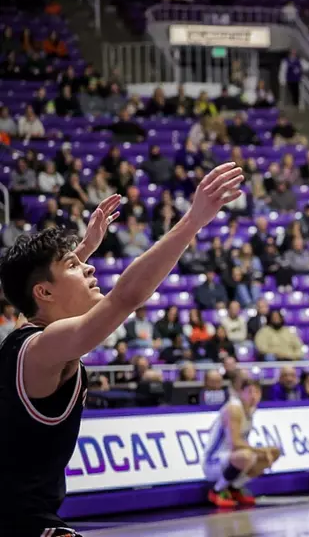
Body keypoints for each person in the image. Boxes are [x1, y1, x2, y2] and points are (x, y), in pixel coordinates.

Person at [0, 163, 243, 537]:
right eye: (76, 267)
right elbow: (125, 298)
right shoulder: (42, 347)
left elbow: (40, 295)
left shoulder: (25, 334)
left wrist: (82, 250)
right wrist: (193, 220)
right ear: (44, 292)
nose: (90, 270)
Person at [203, 376, 281, 507]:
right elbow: (235, 443)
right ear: (241, 393)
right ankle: (216, 491)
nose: (253, 396)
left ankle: (234, 488)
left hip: (229, 459)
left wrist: (265, 452)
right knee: (247, 456)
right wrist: (262, 450)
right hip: (213, 461)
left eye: (257, 392)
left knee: (274, 453)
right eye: (249, 392)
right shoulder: (234, 409)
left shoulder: (250, 410)